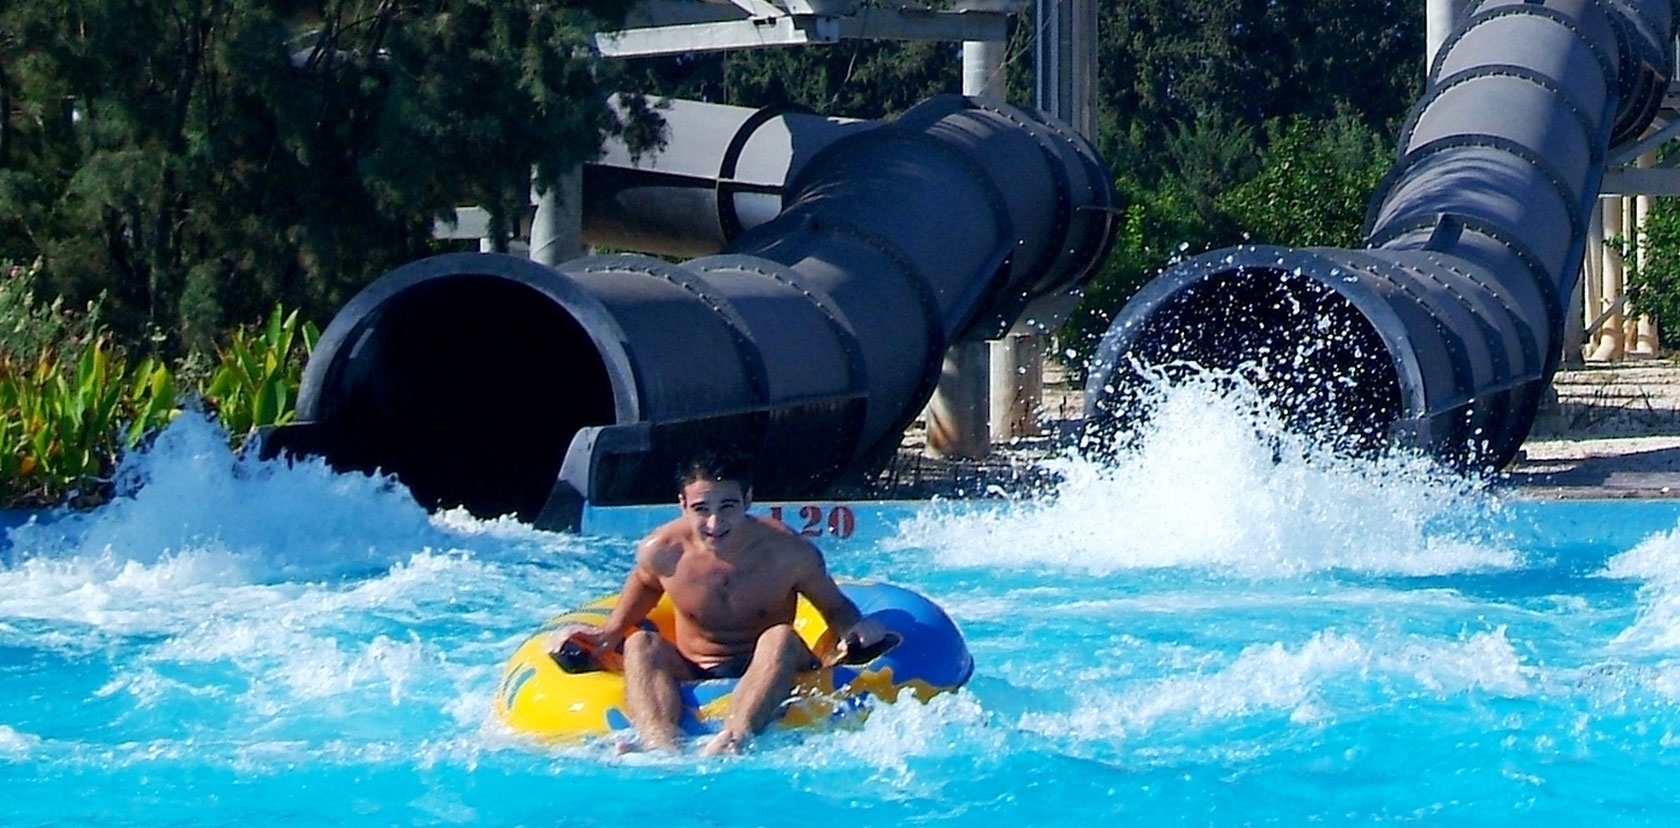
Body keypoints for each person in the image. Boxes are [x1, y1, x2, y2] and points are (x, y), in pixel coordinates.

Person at [549, 448, 886, 755]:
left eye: (727, 507)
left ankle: (736, 737)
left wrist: (854, 628)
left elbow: (836, 609)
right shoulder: (663, 551)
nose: (714, 523)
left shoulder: (788, 553)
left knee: (780, 636)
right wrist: (604, 634)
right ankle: (659, 744)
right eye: (701, 509)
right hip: (694, 666)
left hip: (772, 664)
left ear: (747, 500)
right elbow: (644, 590)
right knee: (640, 643)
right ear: (683, 504)